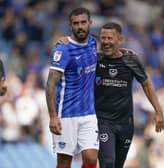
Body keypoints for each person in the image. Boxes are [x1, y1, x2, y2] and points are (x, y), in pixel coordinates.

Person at [95, 22, 164, 168]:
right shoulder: (96, 59)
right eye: (103, 38)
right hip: (103, 121)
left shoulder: (131, 60)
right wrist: (64, 41)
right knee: (107, 163)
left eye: (110, 38)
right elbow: (78, 44)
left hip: (125, 123)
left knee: (118, 165)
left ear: (120, 40)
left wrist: (158, 111)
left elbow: (146, 84)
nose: (106, 42)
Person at [45, 8, 99, 168]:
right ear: (70, 26)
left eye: (83, 22)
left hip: (89, 113)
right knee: (64, 162)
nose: (80, 26)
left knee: (91, 158)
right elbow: (50, 84)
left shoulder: (93, 43)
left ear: (90, 23)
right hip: (66, 114)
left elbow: (109, 44)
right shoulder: (63, 49)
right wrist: (53, 116)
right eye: (76, 23)